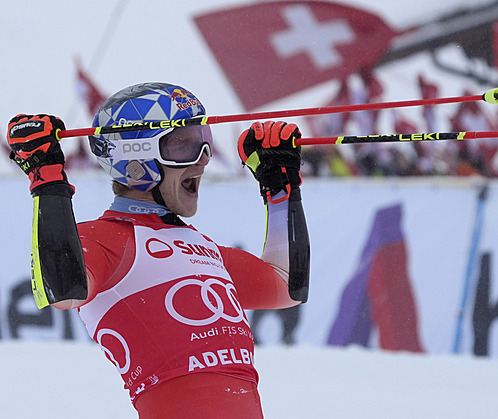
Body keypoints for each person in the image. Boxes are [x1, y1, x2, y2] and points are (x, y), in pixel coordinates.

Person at [6, 82, 310, 418]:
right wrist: (47, 179)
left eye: (203, 141)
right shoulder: (106, 238)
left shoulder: (203, 248)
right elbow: (61, 291)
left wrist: (279, 186)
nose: (203, 159)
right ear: (134, 160)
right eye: (184, 145)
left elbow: (287, 286)